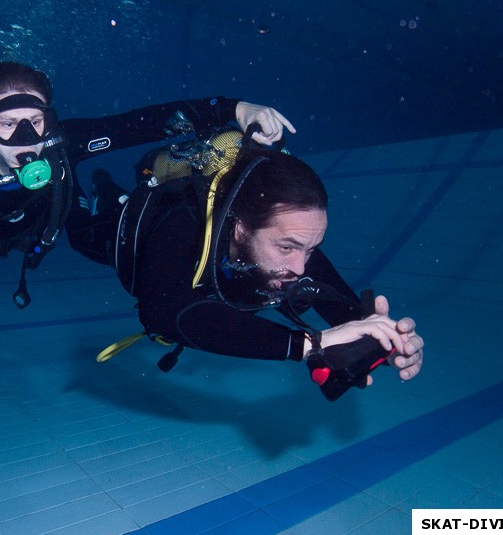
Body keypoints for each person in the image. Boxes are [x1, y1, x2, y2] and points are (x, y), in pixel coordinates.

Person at [0, 55, 293, 344]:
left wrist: (232, 108)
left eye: (36, 121)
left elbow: (138, 124)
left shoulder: (59, 145)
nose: (26, 138)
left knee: (93, 242)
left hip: (30, 223)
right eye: (7, 125)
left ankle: (109, 195)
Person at [66, 130, 424, 398]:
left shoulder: (290, 242)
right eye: (288, 247)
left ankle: (104, 187)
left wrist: (385, 342)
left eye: (312, 249)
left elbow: (340, 314)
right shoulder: (183, 223)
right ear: (239, 230)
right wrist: (307, 344)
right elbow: (166, 313)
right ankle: (92, 185)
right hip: (124, 235)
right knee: (80, 234)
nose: (301, 267)